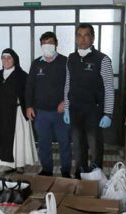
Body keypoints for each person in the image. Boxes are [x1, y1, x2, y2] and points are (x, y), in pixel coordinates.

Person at [64, 23, 114, 178]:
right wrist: (66, 107)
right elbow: (67, 83)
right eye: (79, 35)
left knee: (95, 146)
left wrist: (108, 113)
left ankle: (96, 176)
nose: (82, 39)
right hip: (75, 110)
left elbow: (109, 87)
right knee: (78, 147)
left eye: (86, 35)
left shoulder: (102, 59)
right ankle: (80, 174)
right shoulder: (71, 59)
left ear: (92, 38)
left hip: (94, 111)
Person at [26, 31, 71, 178]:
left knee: (64, 143)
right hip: (41, 113)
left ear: (56, 44)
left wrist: (66, 102)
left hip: (61, 113)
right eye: (44, 43)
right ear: (41, 45)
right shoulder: (36, 63)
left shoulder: (65, 62)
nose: (48, 45)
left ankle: (65, 171)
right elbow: (29, 87)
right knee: (44, 143)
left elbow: (72, 85)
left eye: (50, 42)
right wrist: (29, 106)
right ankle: (47, 170)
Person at [0, 48, 36, 174]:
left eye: (9, 57)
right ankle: (10, 164)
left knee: (19, 139)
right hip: (2, 114)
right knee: (5, 139)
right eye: (3, 57)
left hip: (17, 113)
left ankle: (20, 164)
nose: (6, 60)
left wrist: (28, 107)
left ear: (14, 59)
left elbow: (28, 94)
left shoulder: (22, 76)